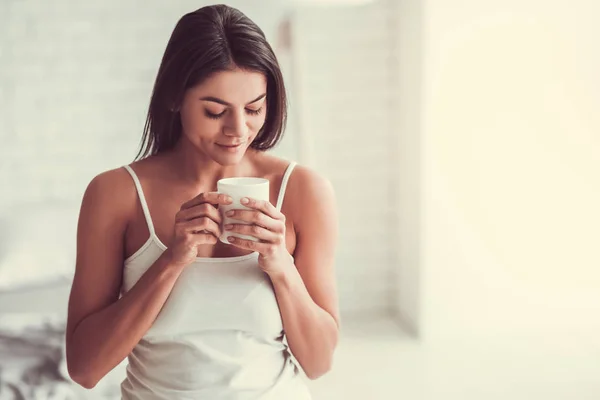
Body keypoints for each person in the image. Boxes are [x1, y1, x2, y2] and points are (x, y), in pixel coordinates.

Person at [64, 4, 339, 399]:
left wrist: (281, 266)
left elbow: (319, 362)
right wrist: (172, 261)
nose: (238, 129)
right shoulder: (116, 194)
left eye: (254, 108)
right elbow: (85, 369)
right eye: (215, 111)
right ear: (175, 97)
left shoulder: (303, 191)